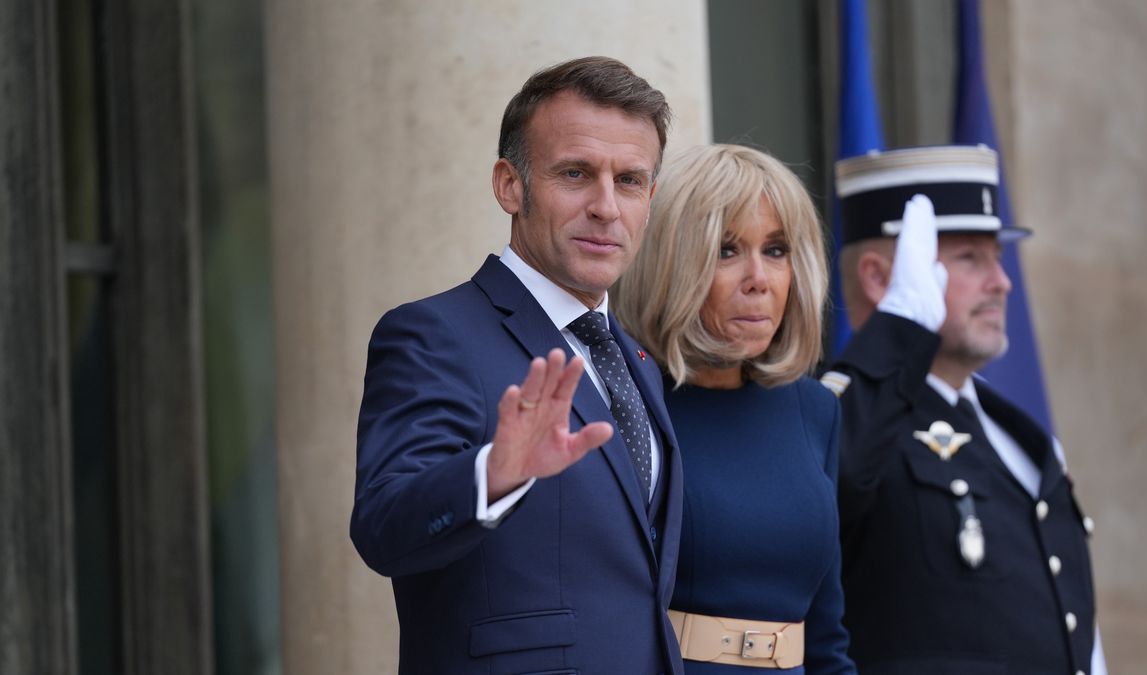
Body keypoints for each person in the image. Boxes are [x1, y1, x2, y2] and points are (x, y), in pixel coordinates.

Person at [351, 56, 686, 674]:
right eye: (576, 174)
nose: (607, 207)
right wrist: (492, 475)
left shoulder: (635, 357)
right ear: (510, 185)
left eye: (631, 181)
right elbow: (383, 526)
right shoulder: (433, 335)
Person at [825, 145, 1106, 675]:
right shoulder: (842, 416)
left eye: (996, 257)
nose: (1001, 282)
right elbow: (829, 480)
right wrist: (898, 333)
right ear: (881, 278)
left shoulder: (1020, 436)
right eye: (968, 258)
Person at [614, 143, 856, 674]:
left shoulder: (815, 410)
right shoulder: (625, 404)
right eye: (727, 251)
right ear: (671, 263)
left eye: (775, 250)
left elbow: (827, 635)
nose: (759, 280)